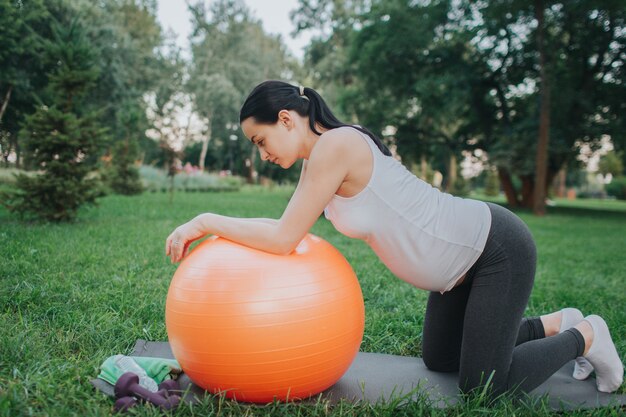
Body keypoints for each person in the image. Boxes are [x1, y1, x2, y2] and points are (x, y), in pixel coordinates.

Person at [165, 80, 623, 399]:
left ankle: (585, 335)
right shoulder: (320, 159)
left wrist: (205, 220)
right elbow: (285, 228)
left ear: (286, 119)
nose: (262, 154)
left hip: (493, 249)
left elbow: (283, 239)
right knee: (440, 359)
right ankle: (556, 322)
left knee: (484, 385)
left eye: (260, 140)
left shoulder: (335, 147)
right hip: (453, 272)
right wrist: (212, 222)